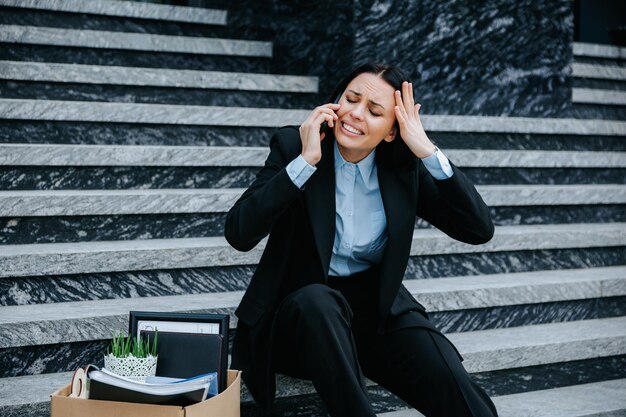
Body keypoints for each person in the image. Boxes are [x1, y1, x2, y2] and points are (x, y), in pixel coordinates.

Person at [225, 63, 498, 417]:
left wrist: (427, 151)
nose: (355, 114)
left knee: (452, 383)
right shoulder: (295, 144)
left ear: (391, 131)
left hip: (375, 314)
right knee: (318, 301)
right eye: (351, 99)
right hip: (301, 316)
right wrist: (306, 163)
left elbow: (478, 229)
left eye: (374, 111)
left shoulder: (403, 167)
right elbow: (239, 232)